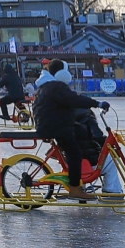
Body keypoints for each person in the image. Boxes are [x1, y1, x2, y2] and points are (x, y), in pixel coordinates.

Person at [29, 63, 105, 193]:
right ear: (61, 73)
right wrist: (96, 103)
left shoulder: (46, 86)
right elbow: (74, 99)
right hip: (57, 127)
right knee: (75, 154)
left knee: (77, 135)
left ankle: (71, 175)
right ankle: (75, 188)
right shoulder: (57, 86)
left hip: (50, 125)